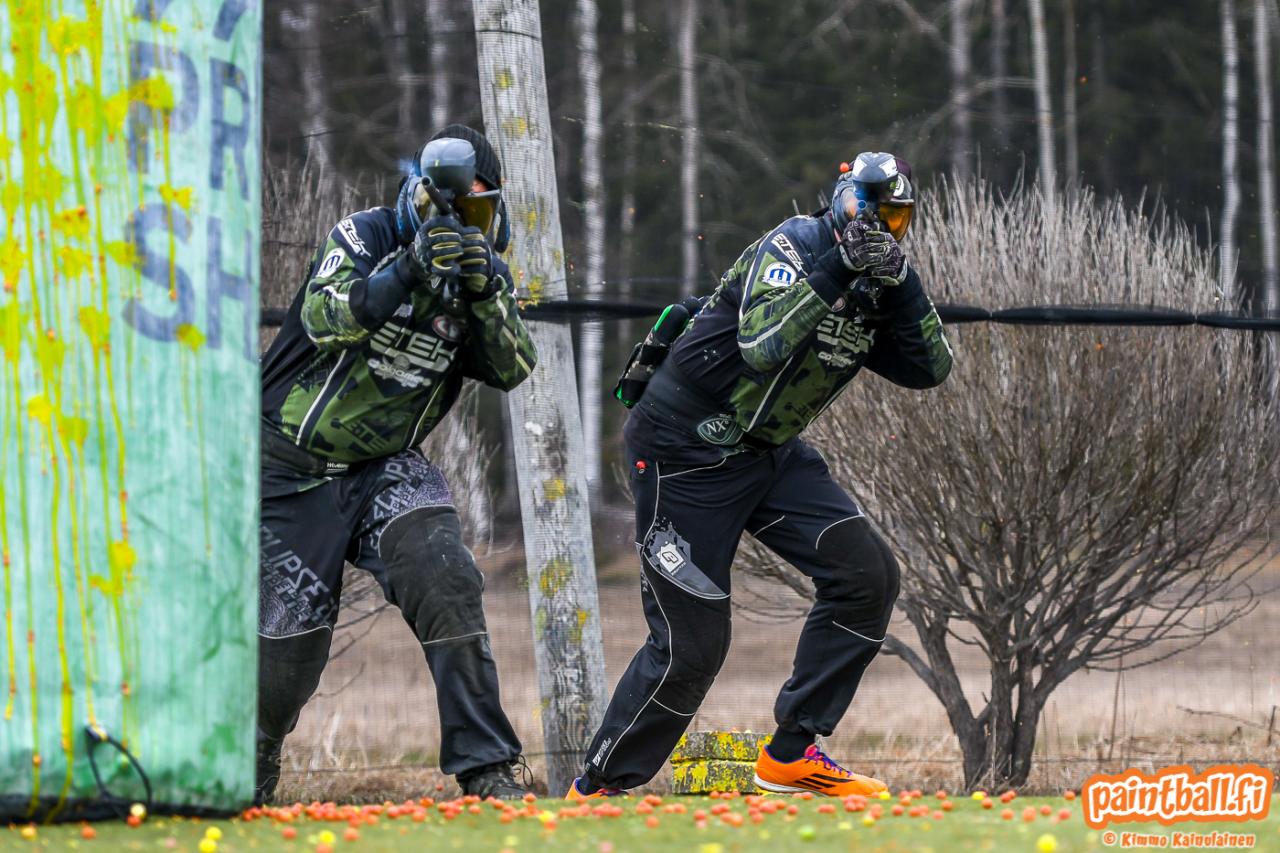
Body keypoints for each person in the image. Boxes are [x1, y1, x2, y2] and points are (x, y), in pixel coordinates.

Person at [568, 152, 953, 800]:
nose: (879, 228)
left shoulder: (878, 286)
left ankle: (792, 754)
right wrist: (839, 266)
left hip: (768, 453)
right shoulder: (793, 245)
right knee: (693, 647)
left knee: (868, 576)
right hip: (683, 451)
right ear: (842, 199)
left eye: (896, 219)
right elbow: (763, 344)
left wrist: (903, 282)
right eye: (869, 211)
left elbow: (931, 368)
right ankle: (597, 789)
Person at [256, 124, 537, 802]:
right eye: (447, 205)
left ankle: (487, 768)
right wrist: (407, 269)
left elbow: (513, 367)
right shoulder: (365, 236)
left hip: (385, 467)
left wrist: (485, 293)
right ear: (419, 194)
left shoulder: (482, 277)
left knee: (446, 578)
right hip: (288, 468)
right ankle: (249, 767)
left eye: (476, 209)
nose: (459, 222)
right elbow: (326, 317)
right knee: (286, 654)